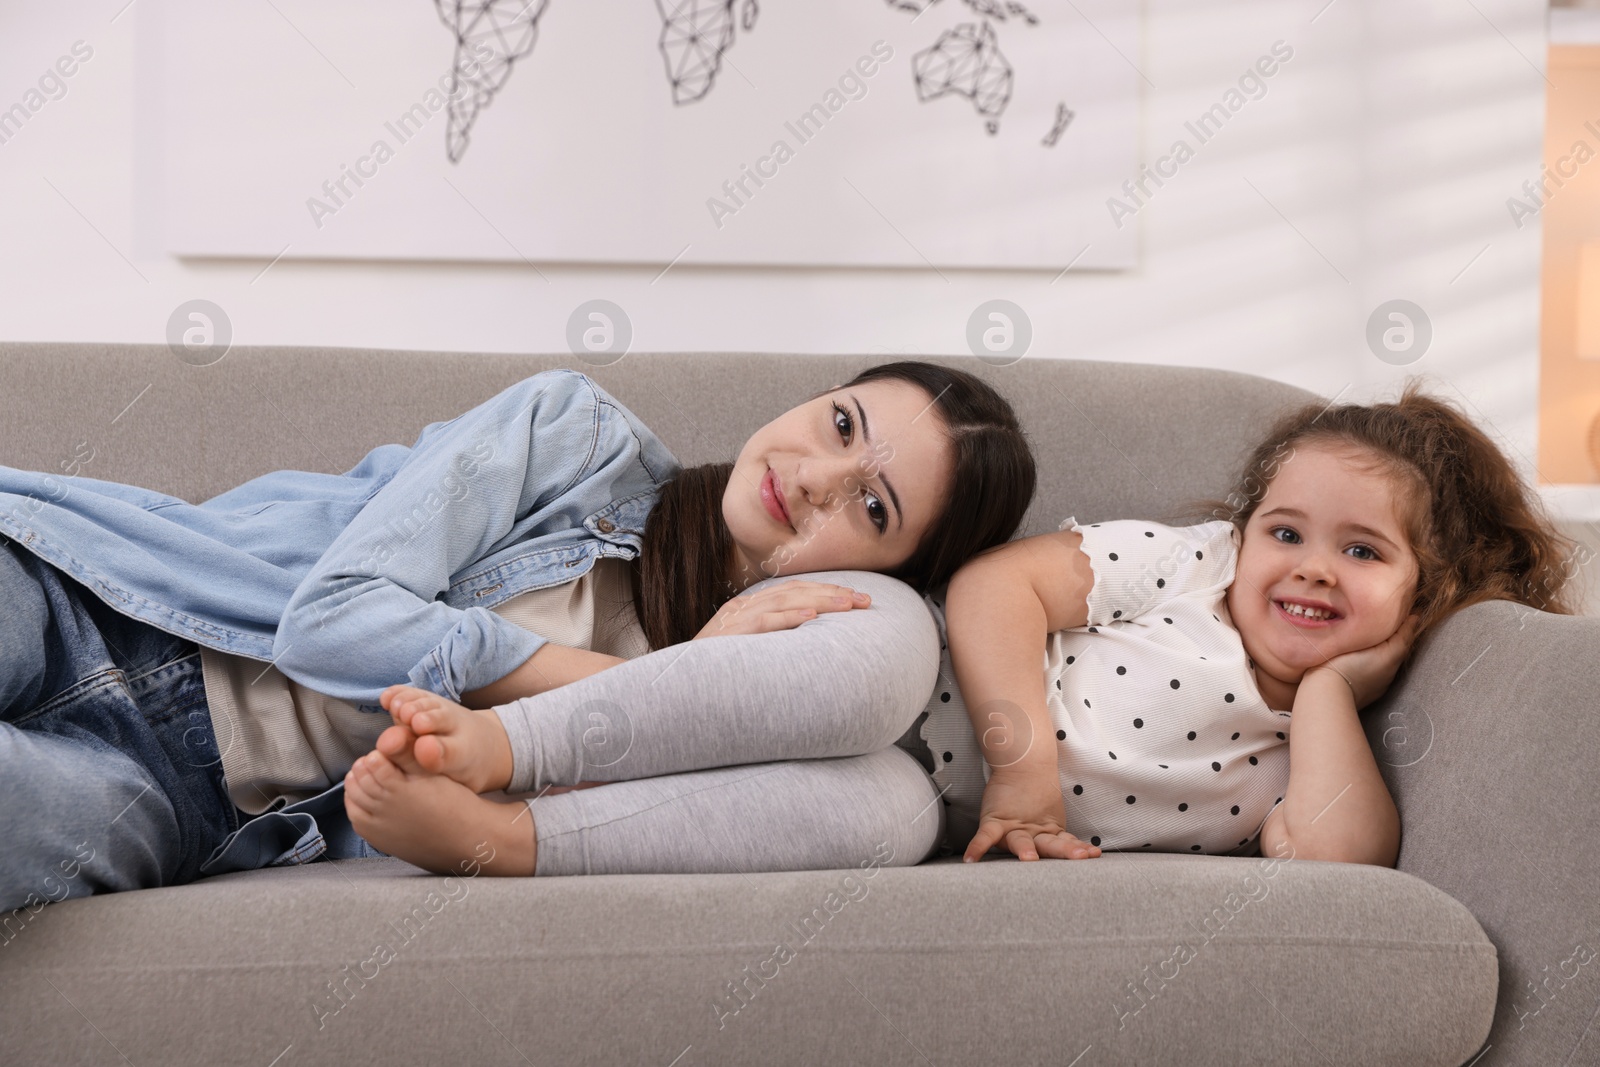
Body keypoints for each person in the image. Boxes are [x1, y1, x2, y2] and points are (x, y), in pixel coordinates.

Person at [349, 384, 1574, 876]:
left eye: (1362, 555)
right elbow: (995, 588)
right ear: (1245, 529)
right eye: (1288, 530)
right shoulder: (1192, 566)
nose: (1307, 568)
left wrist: (1325, 695)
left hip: (929, 803)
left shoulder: (1316, 738)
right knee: (880, 662)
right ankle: (510, 747)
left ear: (1430, 591)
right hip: (899, 652)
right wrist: (1022, 756)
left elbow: (1335, 860)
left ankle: (505, 839)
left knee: (879, 822)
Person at [0, 361, 1035, 912]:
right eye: (841, 424)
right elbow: (333, 616)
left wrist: (687, 682)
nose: (814, 473)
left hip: (188, 806)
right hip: (97, 600)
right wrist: (662, 666)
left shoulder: (715, 720)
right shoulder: (571, 434)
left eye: (872, 504)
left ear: (885, 572)